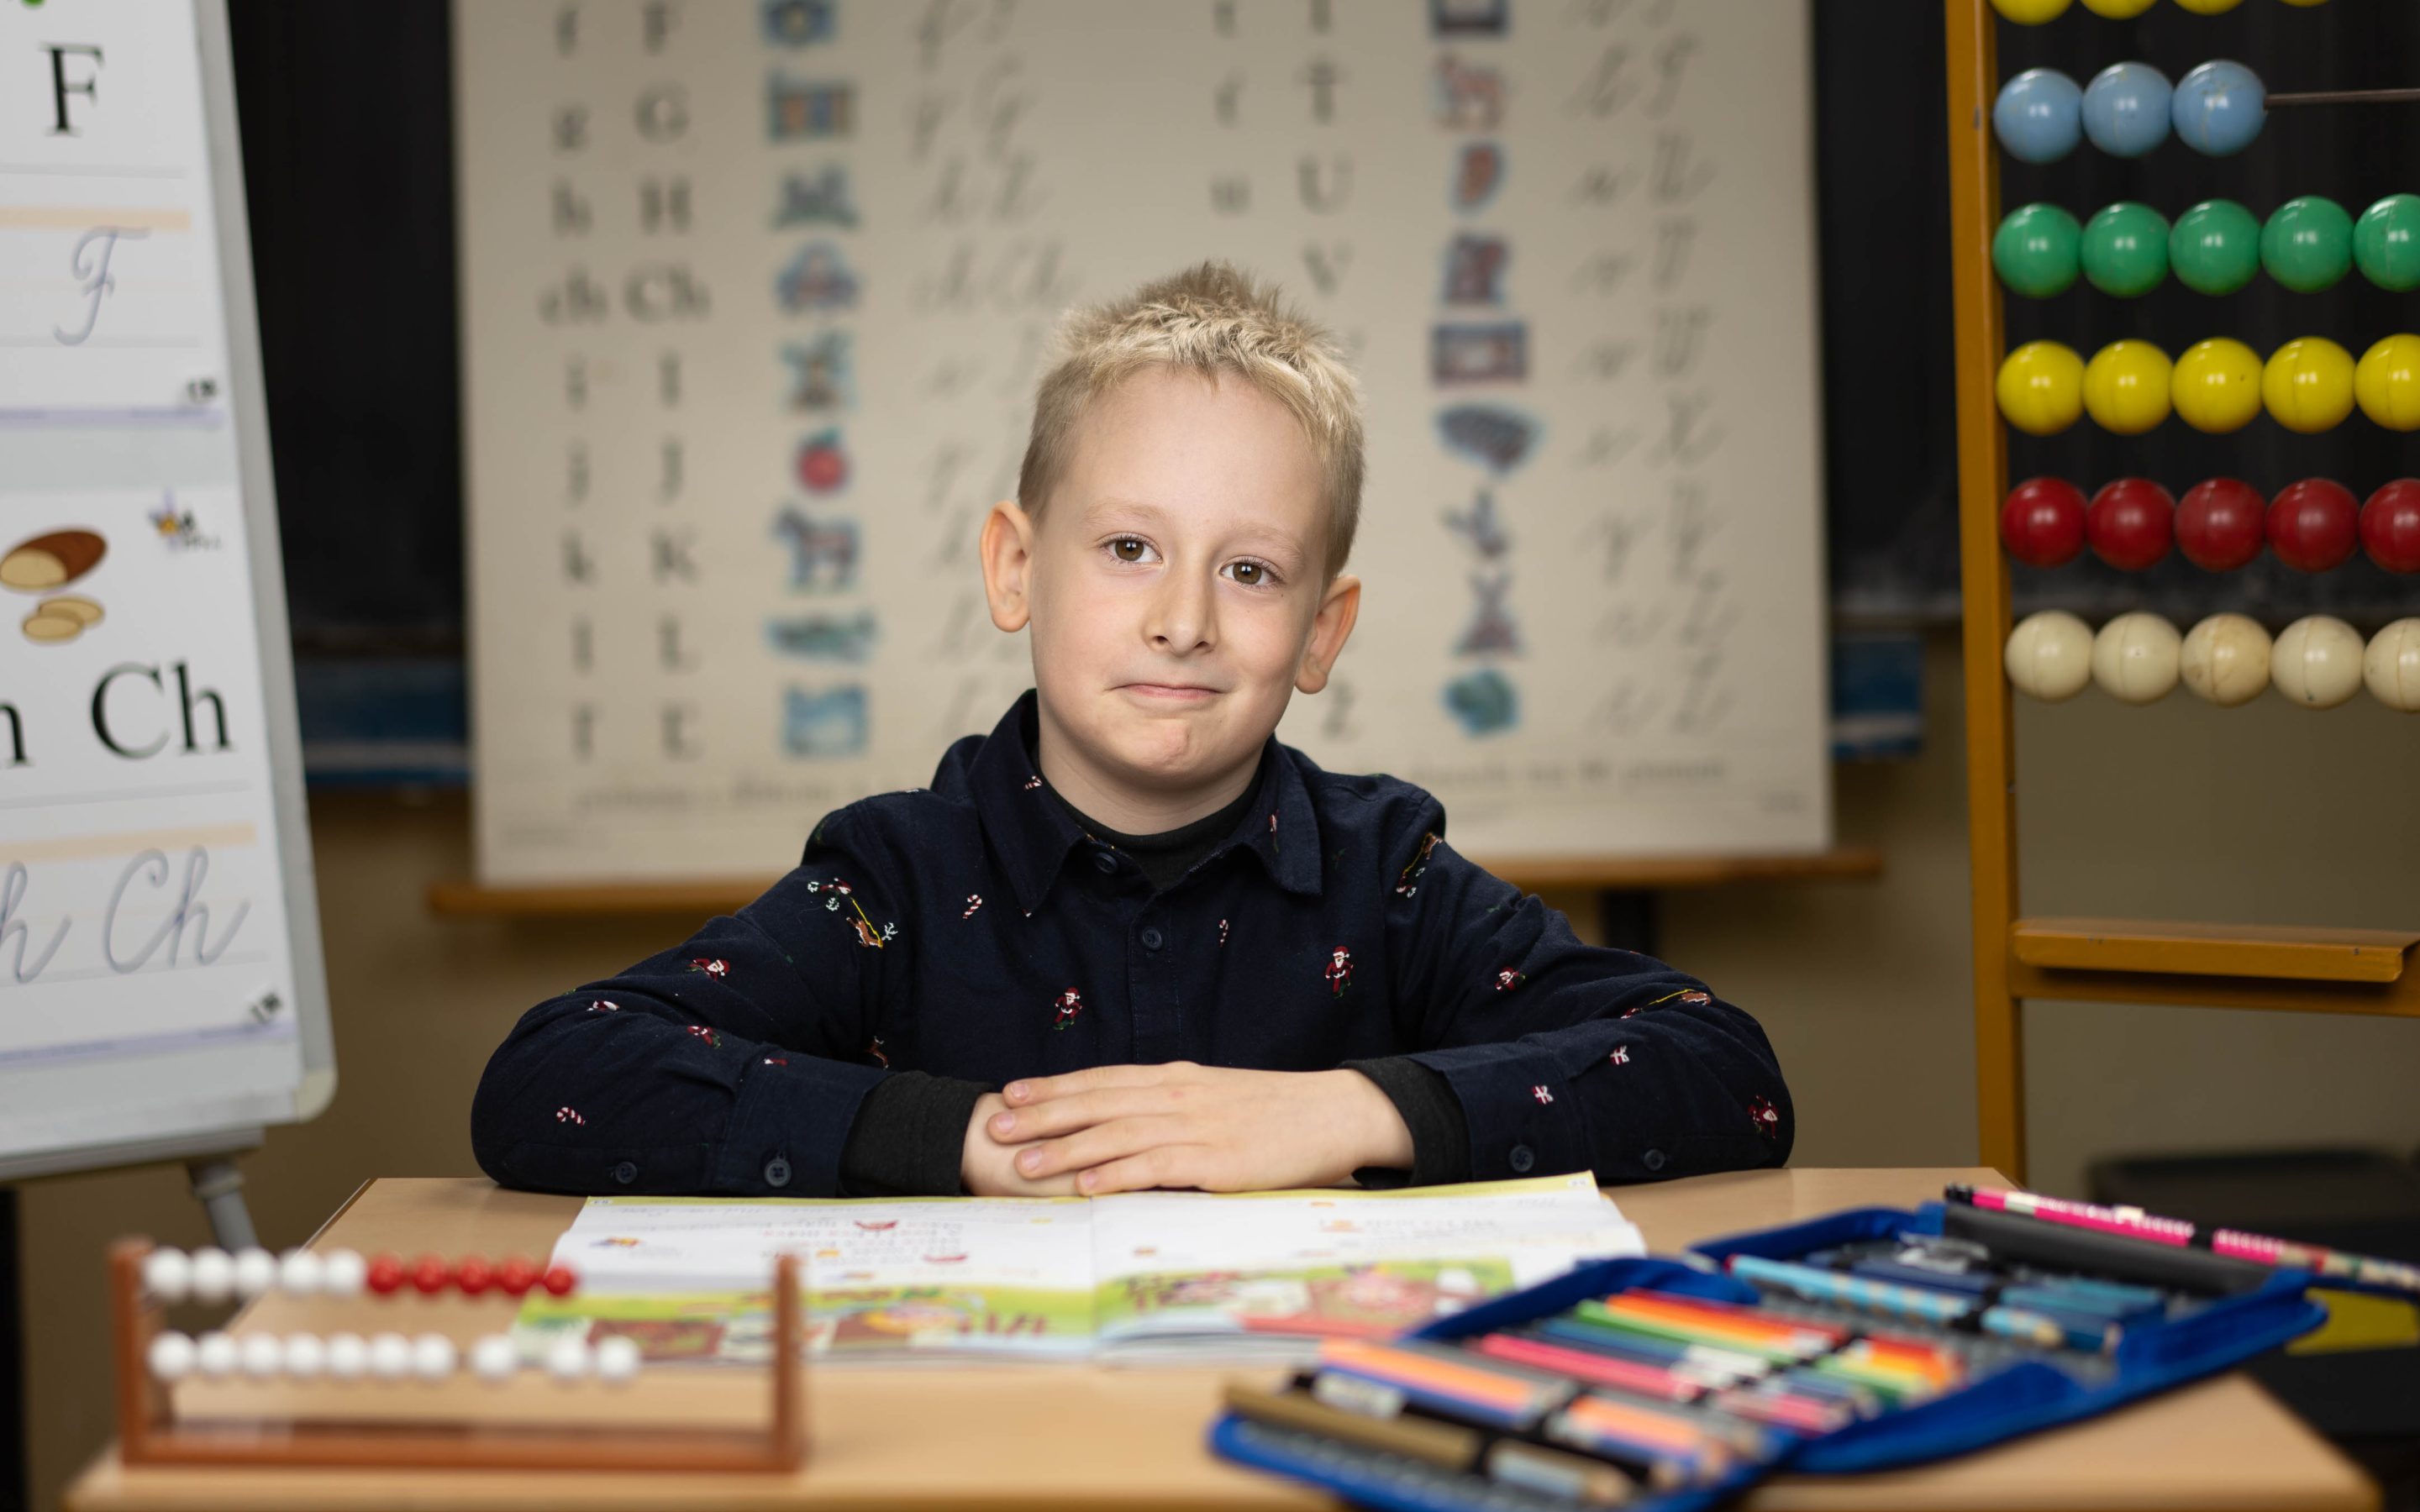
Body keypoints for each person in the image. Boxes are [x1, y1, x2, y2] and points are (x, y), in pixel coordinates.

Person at [471, 261, 1791, 1200]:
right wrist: (969, 1141)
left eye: (1251, 572)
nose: (1183, 622)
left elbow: (1724, 1068)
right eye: (1128, 550)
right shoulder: (895, 883)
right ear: (1014, 569)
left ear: (1321, 632)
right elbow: (554, 1075)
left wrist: (1345, 1113)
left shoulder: (1386, 880)